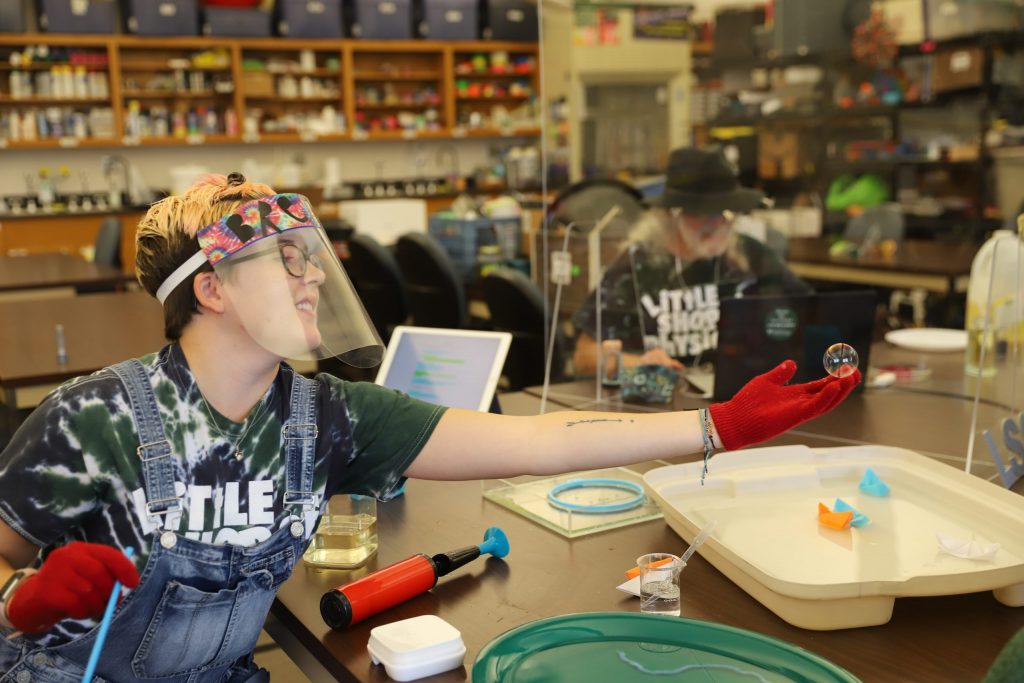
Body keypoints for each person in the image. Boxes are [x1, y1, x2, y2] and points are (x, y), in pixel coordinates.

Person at [0, 173, 859, 682]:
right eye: (280, 258)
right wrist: (21, 598)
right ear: (211, 288)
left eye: (307, 254)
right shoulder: (92, 419)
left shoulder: (324, 416)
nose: (310, 274)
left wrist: (712, 425)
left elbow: (540, 442)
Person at [574, 146, 812, 377]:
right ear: (672, 214)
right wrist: (639, 364)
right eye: (705, 212)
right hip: (663, 396)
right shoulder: (635, 267)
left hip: (736, 392)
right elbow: (584, 357)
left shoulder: (749, 255)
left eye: (729, 212)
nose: (719, 223)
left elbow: (812, 311)